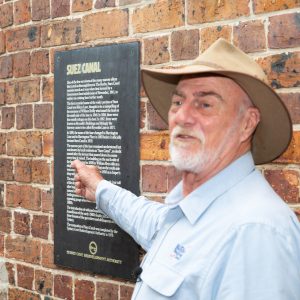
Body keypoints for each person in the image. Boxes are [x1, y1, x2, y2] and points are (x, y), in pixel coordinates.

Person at [71, 39, 300, 299]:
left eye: (205, 104)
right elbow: (152, 222)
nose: (181, 117)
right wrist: (100, 188)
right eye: (178, 102)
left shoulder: (256, 233)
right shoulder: (197, 210)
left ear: (247, 124)